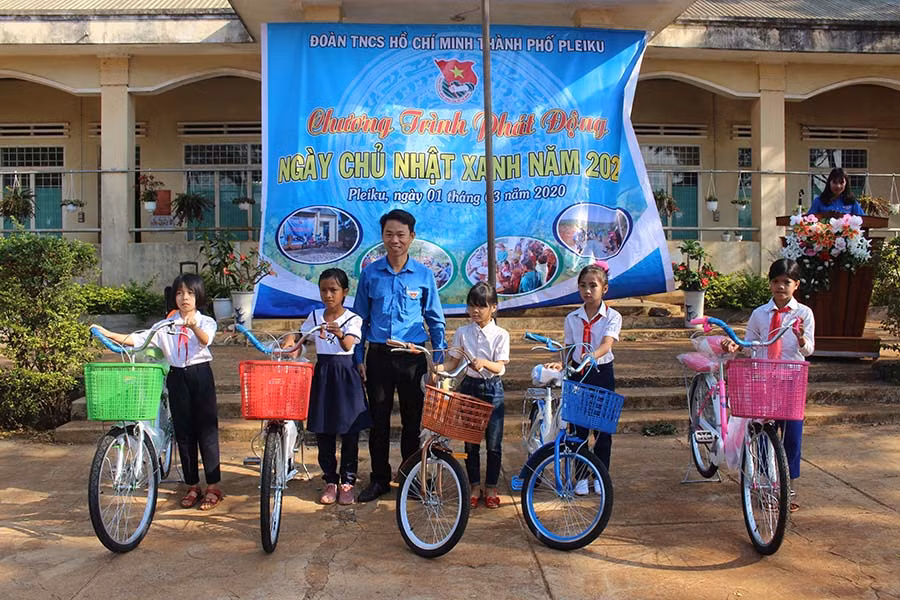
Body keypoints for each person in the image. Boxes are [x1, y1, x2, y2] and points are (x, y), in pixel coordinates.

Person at [92, 274, 223, 510]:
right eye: (180, 293)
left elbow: (206, 341)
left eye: (190, 293)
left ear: (198, 296)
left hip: (201, 374)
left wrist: (193, 326)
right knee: (183, 432)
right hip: (177, 376)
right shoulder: (165, 325)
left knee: (207, 431)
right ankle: (192, 485)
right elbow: (140, 339)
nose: (184, 298)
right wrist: (109, 334)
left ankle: (213, 486)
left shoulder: (206, 321)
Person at [352, 208, 446, 503]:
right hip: (379, 356)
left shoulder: (423, 275)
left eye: (401, 235)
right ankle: (379, 478)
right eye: (389, 234)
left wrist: (438, 360)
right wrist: (358, 357)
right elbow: (359, 320)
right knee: (378, 420)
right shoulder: (370, 274)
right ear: (382, 237)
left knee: (412, 421)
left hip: (412, 357)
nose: (395, 240)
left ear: (411, 237)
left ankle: (410, 479)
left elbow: (435, 319)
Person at [722, 258, 814, 512]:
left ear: (796, 285)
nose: (780, 287)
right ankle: (766, 483)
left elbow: (809, 350)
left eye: (786, 282)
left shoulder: (803, 313)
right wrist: (736, 345)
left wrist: (801, 338)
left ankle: (788, 485)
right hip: (763, 379)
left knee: (792, 433)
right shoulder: (760, 314)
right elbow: (749, 343)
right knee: (762, 431)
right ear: (770, 283)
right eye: (775, 281)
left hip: (791, 379)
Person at [287, 268, 371, 505]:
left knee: (349, 432)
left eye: (333, 290)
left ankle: (348, 482)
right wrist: (291, 340)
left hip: (346, 376)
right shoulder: (315, 316)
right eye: (323, 290)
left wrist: (340, 332)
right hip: (323, 375)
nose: (328, 295)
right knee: (324, 431)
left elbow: (348, 345)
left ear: (345, 292)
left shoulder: (353, 319)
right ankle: (330, 480)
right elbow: (301, 337)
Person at [544, 261, 621, 487]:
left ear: (604, 289)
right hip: (578, 374)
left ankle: (600, 476)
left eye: (593, 286)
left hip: (601, 372)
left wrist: (592, 355)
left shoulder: (613, 316)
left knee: (603, 430)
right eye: (583, 286)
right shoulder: (572, 318)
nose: (587, 290)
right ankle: (581, 477)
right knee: (578, 429)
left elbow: (607, 344)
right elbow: (569, 347)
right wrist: (562, 364)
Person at [437, 282, 509, 509]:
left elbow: (500, 367)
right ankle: (474, 486)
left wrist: (485, 362)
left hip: (492, 388)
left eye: (481, 306)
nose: (475, 311)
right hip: (469, 387)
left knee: (494, 443)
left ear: (493, 308)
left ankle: (491, 487)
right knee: (470, 443)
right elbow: (452, 362)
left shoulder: (500, 334)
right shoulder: (462, 332)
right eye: (472, 306)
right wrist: (436, 369)